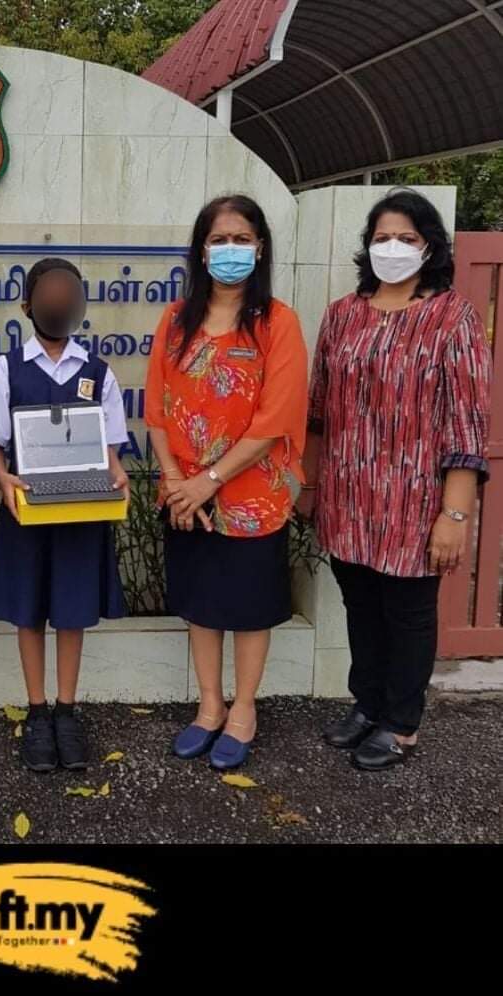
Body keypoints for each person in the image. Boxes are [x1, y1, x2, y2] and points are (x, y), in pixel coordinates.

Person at [300, 188, 492, 771]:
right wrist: (309, 487)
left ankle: (402, 724)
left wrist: (454, 516)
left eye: (406, 238)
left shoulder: (451, 316)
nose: (393, 247)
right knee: (360, 605)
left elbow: (466, 425)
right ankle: (368, 704)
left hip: (415, 503)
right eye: (383, 237)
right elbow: (318, 410)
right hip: (348, 497)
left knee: (407, 615)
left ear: (429, 246)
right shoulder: (343, 313)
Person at [145, 195, 308, 770]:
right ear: (201, 248)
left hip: (251, 494)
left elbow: (275, 419)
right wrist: (175, 480)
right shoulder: (175, 319)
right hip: (184, 494)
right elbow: (156, 410)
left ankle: (243, 709)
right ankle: (208, 705)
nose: (230, 250)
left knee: (247, 607)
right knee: (202, 604)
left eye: (242, 239)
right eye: (219, 239)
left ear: (259, 247)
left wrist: (210, 479)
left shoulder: (277, 323)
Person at [0, 258, 129, 773]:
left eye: (69, 295)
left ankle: (68, 710)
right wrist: (2, 478)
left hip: (82, 508)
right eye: (48, 295)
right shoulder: (6, 369)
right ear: (27, 305)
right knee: (29, 610)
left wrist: (116, 472)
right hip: (27, 506)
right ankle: (37, 711)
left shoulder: (98, 372)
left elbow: (112, 444)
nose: (58, 304)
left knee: (71, 609)